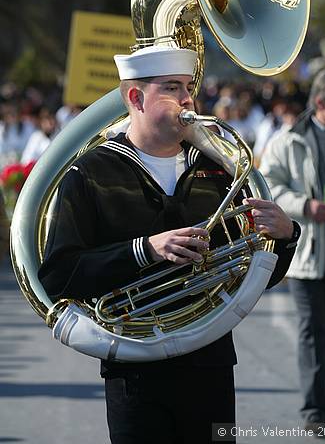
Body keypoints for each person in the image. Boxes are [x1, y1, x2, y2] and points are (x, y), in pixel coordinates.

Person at [38, 45, 300, 444]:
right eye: (172, 88)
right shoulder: (90, 172)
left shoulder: (218, 169)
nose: (187, 99)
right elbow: (59, 275)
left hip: (210, 362)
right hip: (134, 369)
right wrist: (145, 249)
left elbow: (254, 274)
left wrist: (285, 238)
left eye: (189, 87)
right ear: (135, 98)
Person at [260, 68, 325, 432]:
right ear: (321, 103)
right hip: (306, 255)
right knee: (313, 329)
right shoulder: (287, 140)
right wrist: (305, 206)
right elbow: (267, 186)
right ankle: (314, 411)